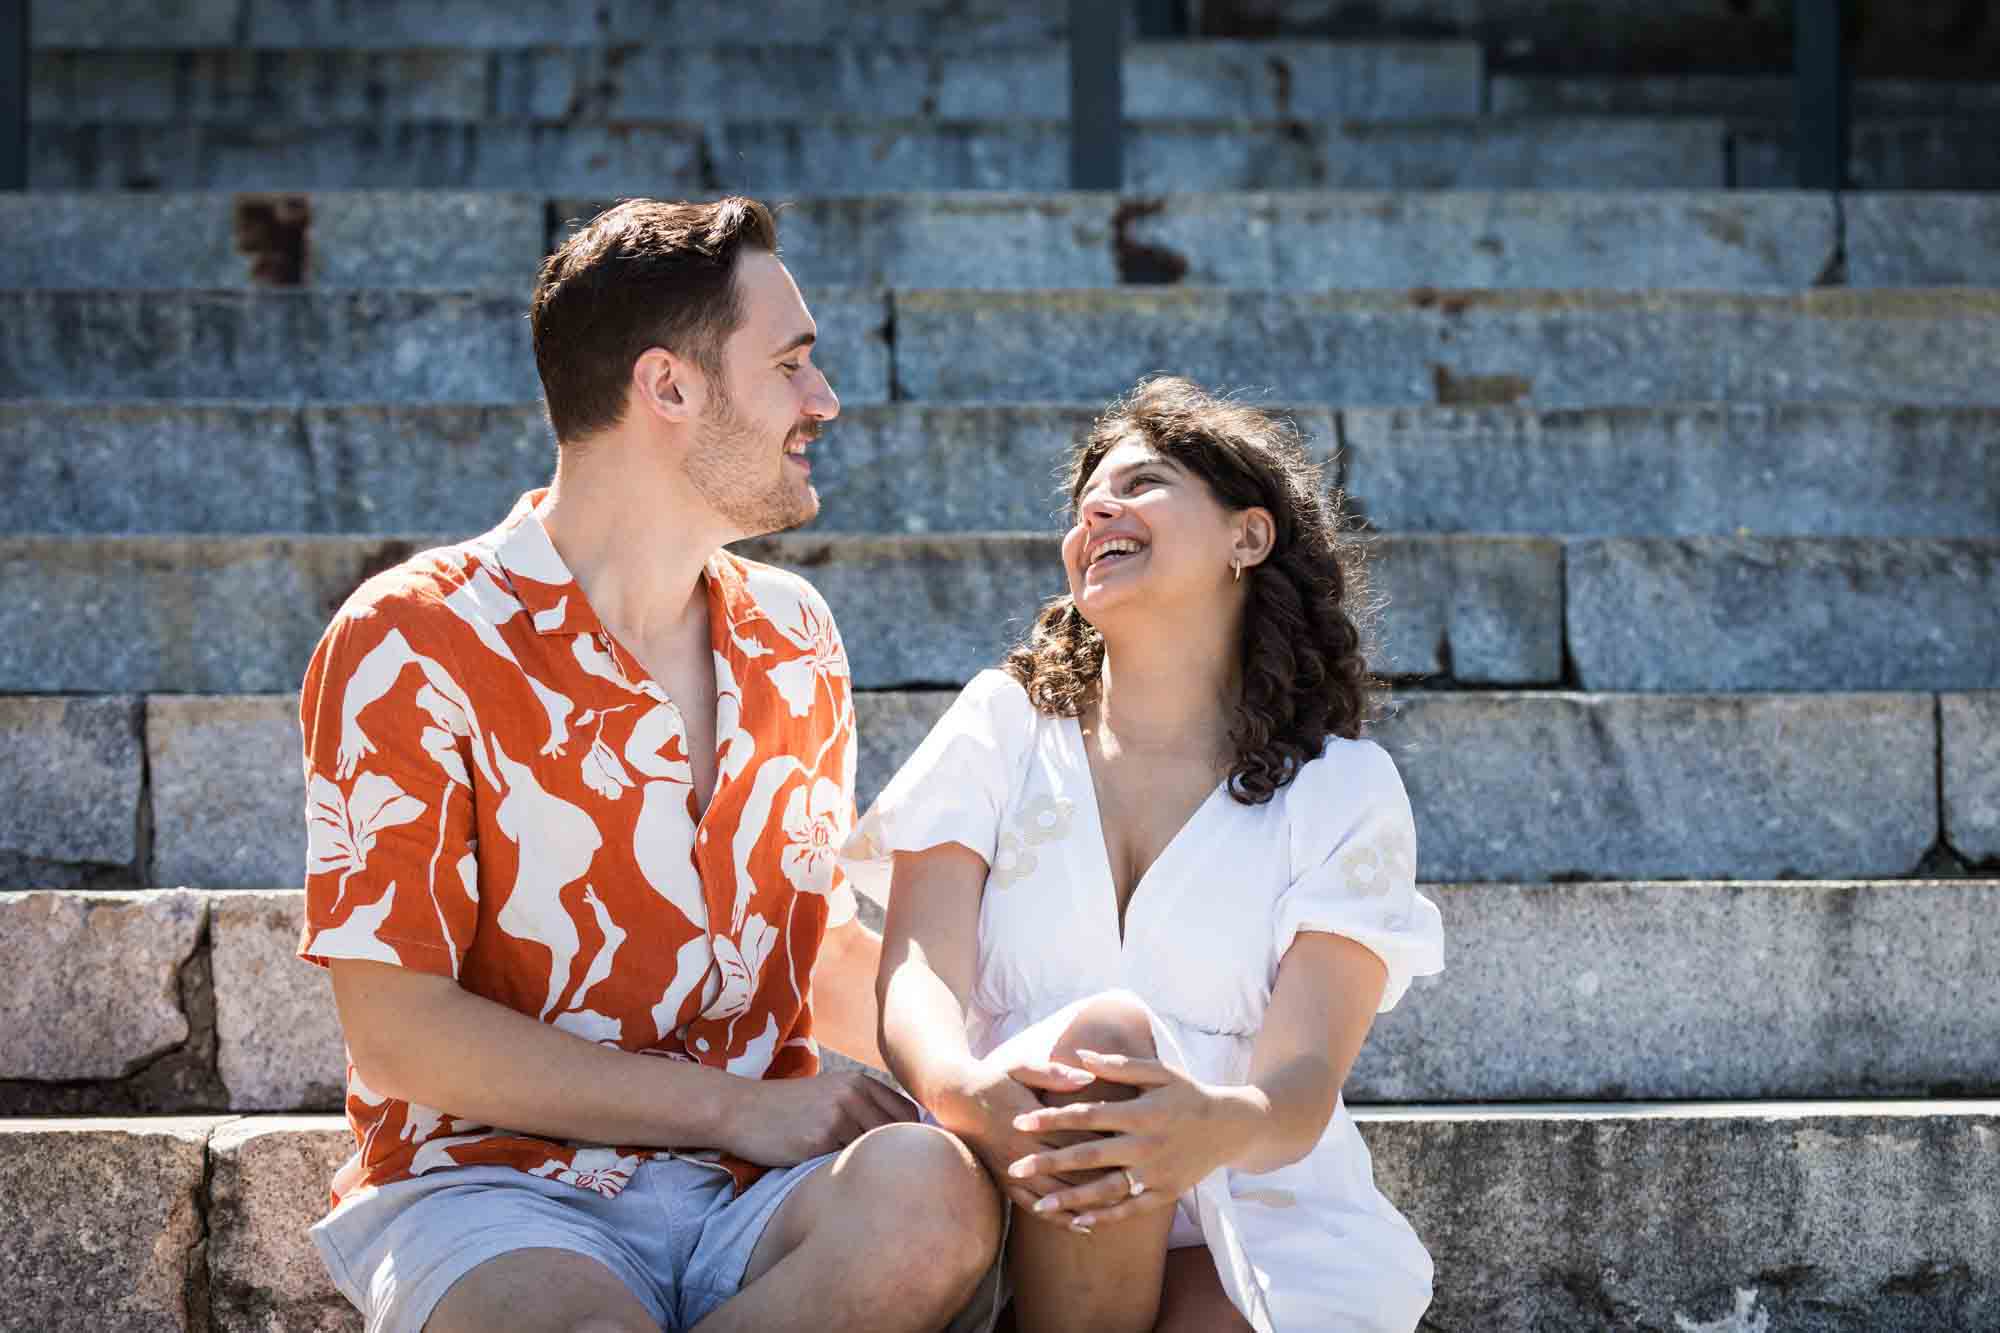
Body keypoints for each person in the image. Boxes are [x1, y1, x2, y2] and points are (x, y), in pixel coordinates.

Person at [295, 197, 1004, 1333]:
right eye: (790, 366)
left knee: (930, 1199)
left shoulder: (797, 637)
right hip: (493, 1186)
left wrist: (1015, 1079)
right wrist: (730, 1107)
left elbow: (808, 939)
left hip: (757, 1196)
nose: (822, 401)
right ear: (667, 387)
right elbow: (398, 1028)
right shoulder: (410, 640)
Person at [847, 377, 1445, 1332]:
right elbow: (916, 975)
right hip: (1013, 1168)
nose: (1096, 507)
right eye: (1087, 497)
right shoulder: (1001, 725)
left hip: (1248, 1197)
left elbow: (1297, 1086)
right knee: (1107, 1043)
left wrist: (1206, 1124)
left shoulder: (1344, 788)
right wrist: (961, 1090)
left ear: (1247, 538)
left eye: (1144, 482)